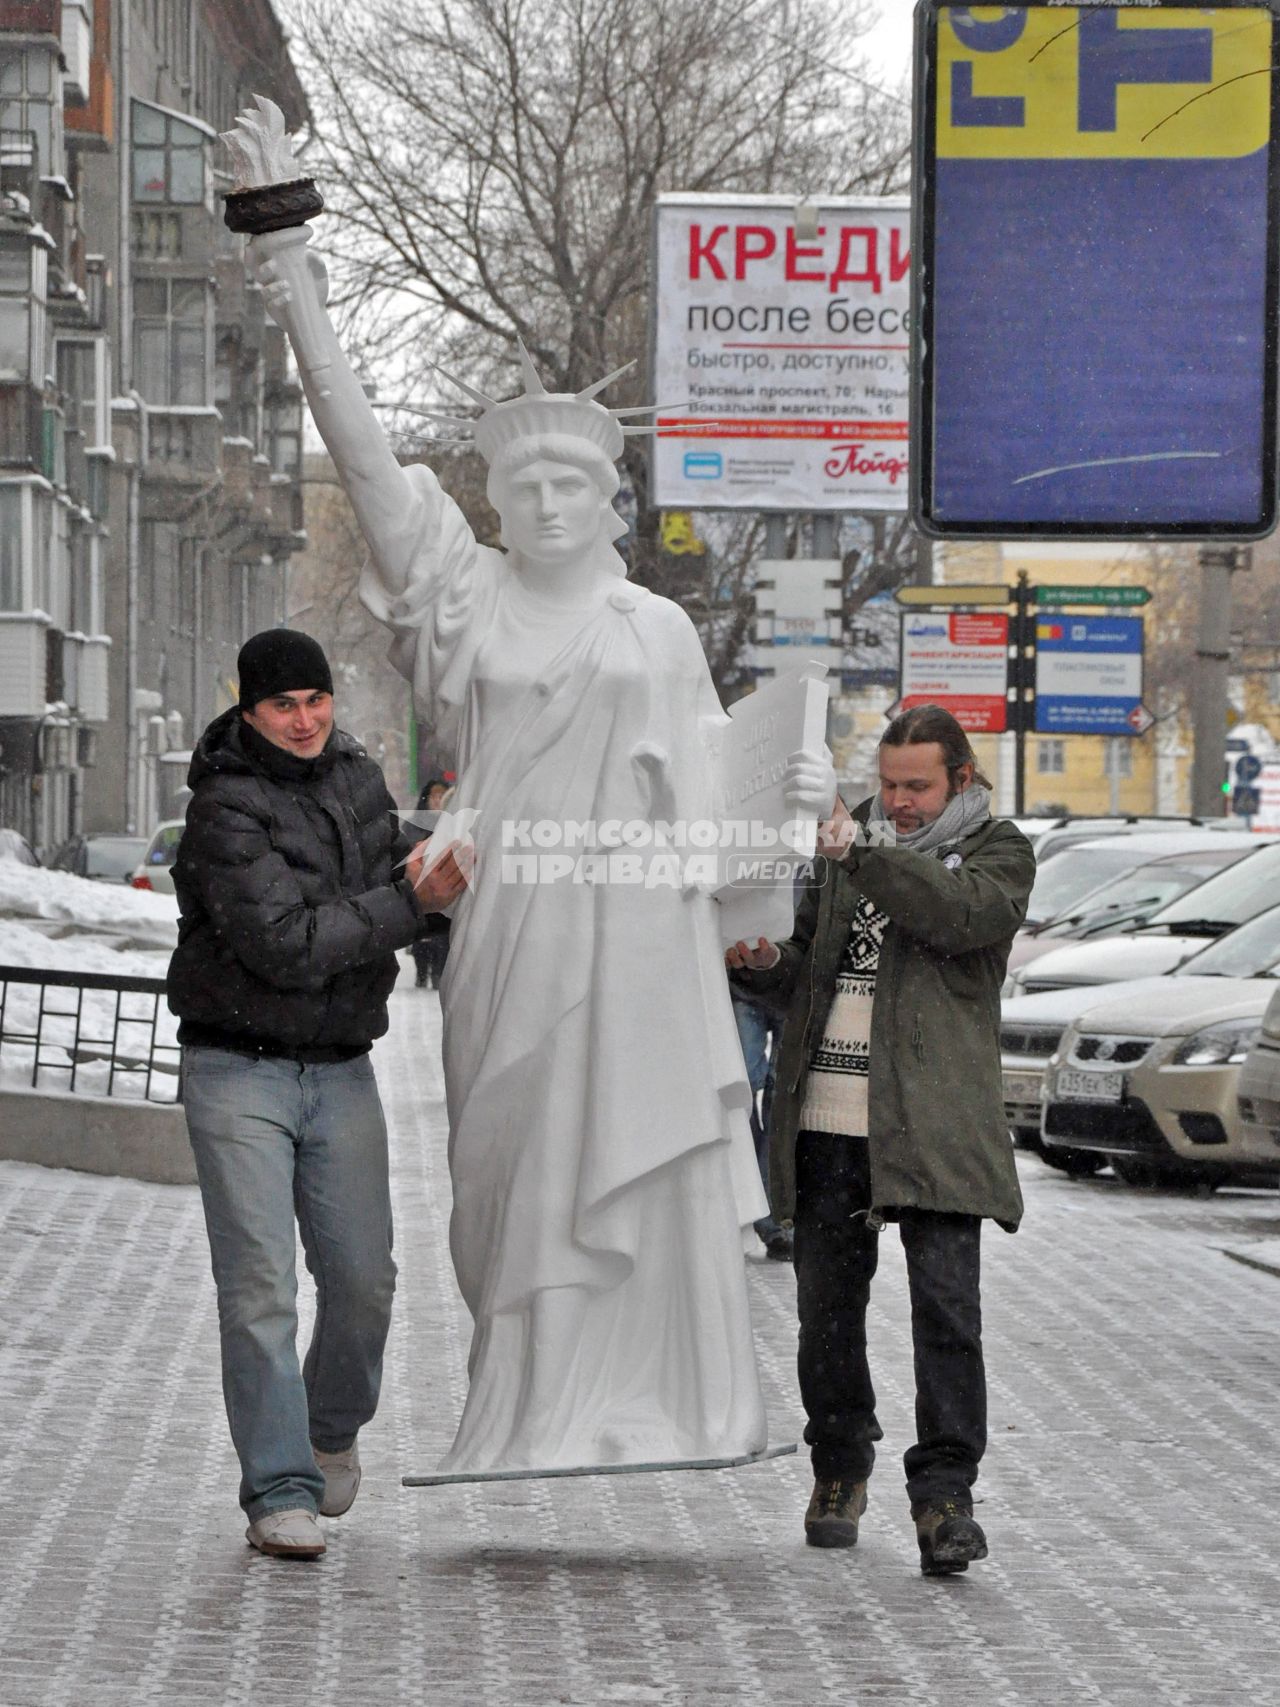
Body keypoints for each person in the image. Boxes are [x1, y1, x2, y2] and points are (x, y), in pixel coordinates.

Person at [242, 192, 836, 1473]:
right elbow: (360, 457)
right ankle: (523, 1407)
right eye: (526, 483)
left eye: (573, 480)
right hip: (512, 925)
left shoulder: (656, 629)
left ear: (608, 497)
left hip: (636, 931)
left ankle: (665, 1400)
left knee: (638, 1153)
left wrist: (782, 810)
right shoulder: (467, 599)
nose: (550, 502)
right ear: (496, 501)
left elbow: (705, 791)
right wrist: (289, 262)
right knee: (512, 1182)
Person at [169, 629, 468, 1559]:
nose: (303, 720)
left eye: (315, 700)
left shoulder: (358, 778)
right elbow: (287, 941)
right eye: (282, 705)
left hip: (341, 1064)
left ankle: (329, 1428)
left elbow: (383, 870)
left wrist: (444, 842)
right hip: (235, 1070)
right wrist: (412, 903)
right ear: (249, 712)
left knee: (363, 1280)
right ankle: (278, 1489)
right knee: (258, 1289)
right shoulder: (223, 807)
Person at [728, 704, 1034, 1576]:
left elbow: (958, 915)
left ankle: (944, 1498)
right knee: (826, 1312)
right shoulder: (846, 846)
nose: (896, 801)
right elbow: (812, 976)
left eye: (916, 787)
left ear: (960, 779)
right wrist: (762, 963)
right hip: (828, 1115)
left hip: (935, 1126)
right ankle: (838, 1468)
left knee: (946, 1314)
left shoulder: (998, 853)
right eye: (887, 784)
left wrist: (860, 853)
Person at [410, 778, 453, 989]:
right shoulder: (414, 825)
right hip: (420, 891)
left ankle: (438, 974)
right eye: (434, 796)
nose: (437, 801)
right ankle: (422, 973)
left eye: (441, 796)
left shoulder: (456, 825)